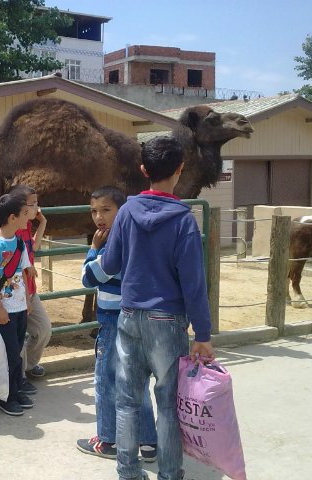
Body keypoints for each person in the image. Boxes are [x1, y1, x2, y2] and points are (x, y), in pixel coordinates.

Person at [98, 137, 215, 480]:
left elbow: (111, 262)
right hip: (167, 322)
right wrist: (202, 334)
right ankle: (169, 474)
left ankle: (128, 473)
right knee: (168, 406)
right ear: (180, 169)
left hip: (129, 316)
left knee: (127, 401)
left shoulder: (126, 213)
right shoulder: (184, 221)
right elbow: (194, 283)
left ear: (144, 170)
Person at [75, 186, 158, 462]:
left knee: (106, 381)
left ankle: (108, 439)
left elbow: (88, 278)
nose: (99, 217)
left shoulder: (111, 245)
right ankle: (148, 442)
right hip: (139, 320)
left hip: (112, 322)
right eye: (94, 211)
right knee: (138, 383)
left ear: (122, 211)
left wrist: (92, 249)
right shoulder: (138, 238)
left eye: (106, 210)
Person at [0, 194, 34, 416]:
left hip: (19, 307)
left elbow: (23, 272)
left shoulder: (19, 241)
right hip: (4, 310)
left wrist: (27, 300)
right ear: (13, 217)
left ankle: (16, 389)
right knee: (10, 354)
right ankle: (6, 396)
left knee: (17, 351)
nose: (28, 216)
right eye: (25, 213)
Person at [8, 185, 51, 396]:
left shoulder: (25, 229)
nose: (37, 207)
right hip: (19, 293)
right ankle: (21, 377)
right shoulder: (12, 233)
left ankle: (27, 366)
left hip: (31, 291)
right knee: (19, 337)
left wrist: (42, 222)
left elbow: (33, 248)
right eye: (33, 204)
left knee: (44, 330)